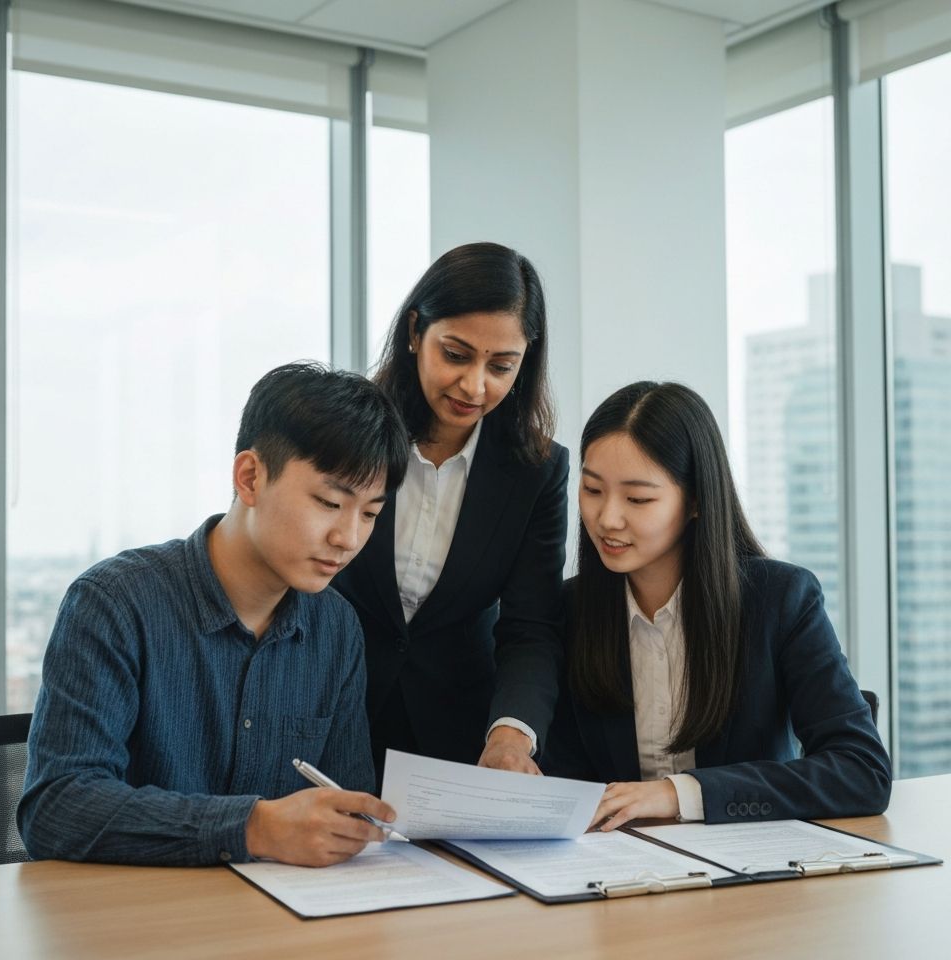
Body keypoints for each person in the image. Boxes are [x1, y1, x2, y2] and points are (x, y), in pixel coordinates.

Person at [18, 363, 410, 867]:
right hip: (136, 924)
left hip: (283, 924)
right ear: (250, 478)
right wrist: (254, 827)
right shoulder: (115, 603)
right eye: (330, 502)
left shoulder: (335, 628)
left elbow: (345, 803)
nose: (349, 538)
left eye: (370, 514)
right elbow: (56, 808)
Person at [542, 381, 892, 826]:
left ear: (695, 502)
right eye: (592, 490)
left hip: (753, 876)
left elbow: (862, 771)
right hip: (622, 876)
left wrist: (679, 795)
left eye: (638, 498)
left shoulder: (781, 600)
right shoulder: (569, 612)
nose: (607, 518)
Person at [334, 242, 568, 778]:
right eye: (457, 354)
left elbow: (531, 626)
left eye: (501, 366)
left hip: (461, 738)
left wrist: (512, 735)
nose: (474, 385)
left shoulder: (536, 470)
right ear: (416, 332)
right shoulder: (347, 434)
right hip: (332, 717)